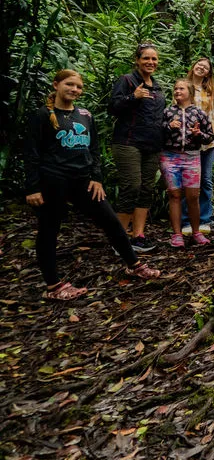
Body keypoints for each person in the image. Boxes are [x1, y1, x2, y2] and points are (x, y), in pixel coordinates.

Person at [25, 70, 161, 300]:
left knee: (111, 221)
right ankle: (53, 286)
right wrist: (32, 188)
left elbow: (94, 149)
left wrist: (96, 177)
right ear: (56, 85)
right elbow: (32, 153)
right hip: (53, 180)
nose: (74, 90)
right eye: (69, 85)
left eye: (78, 87)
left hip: (84, 180)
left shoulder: (85, 115)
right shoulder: (41, 115)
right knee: (49, 230)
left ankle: (134, 265)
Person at [108, 43, 165, 253]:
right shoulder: (127, 80)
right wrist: (133, 97)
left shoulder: (157, 86)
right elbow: (113, 107)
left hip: (152, 145)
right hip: (128, 142)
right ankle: (119, 239)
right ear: (137, 60)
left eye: (154, 59)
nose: (151, 62)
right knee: (131, 186)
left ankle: (138, 236)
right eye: (146, 58)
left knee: (146, 189)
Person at [161, 79, 214, 247]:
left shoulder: (199, 113)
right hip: (170, 156)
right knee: (174, 195)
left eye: (181, 89)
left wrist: (198, 134)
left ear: (190, 92)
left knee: (193, 196)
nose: (178, 91)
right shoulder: (168, 111)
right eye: (175, 88)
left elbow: (210, 136)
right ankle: (177, 234)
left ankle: (196, 232)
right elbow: (158, 132)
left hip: (192, 157)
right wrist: (169, 126)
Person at [183, 57, 214, 236]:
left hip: (208, 142)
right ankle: (186, 220)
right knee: (187, 181)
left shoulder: (211, 90)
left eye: (206, 67)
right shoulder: (184, 86)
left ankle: (205, 219)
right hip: (187, 142)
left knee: (205, 179)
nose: (201, 68)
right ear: (193, 66)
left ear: (208, 72)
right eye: (199, 65)